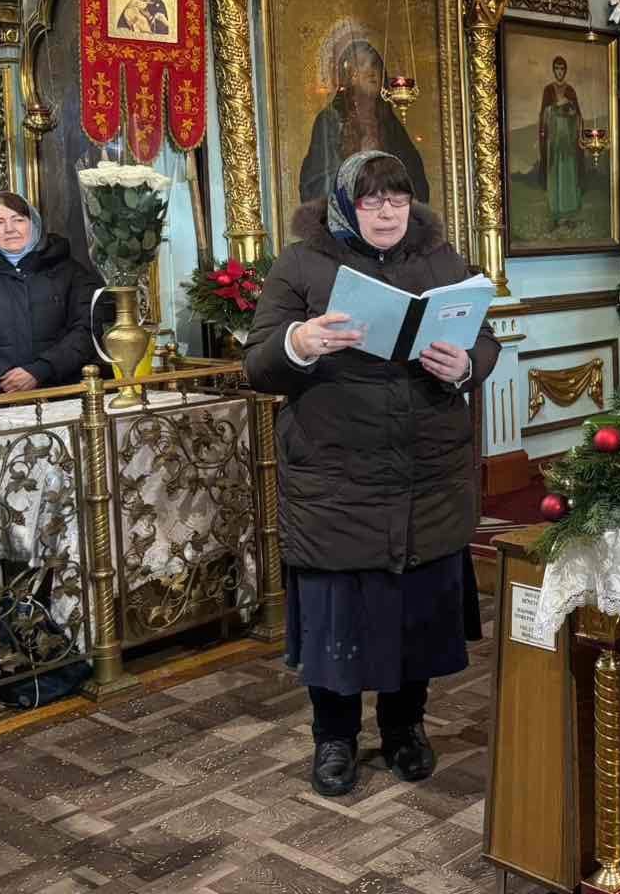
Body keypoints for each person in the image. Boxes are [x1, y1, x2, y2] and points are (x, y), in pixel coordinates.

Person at [244, 151, 499, 798]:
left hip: (425, 475)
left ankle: (405, 726)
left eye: (397, 199)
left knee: (414, 615)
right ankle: (333, 738)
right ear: (343, 205)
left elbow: (485, 339)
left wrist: (465, 365)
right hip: (336, 478)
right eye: (371, 201)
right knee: (338, 621)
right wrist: (299, 343)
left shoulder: (442, 260)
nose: (387, 213)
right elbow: (258, 365)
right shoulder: (302, 263)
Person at [0, 192, 101, 394]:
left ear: (34, 223)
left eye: (18, 220)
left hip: (60, 392)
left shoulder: (70, 271)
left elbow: (87, 328)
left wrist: (42, 369)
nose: (9, 229)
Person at [298, 39, 430, 206]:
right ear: (349, 75)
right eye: (362, 64)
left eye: (375, 65)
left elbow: (416, 182)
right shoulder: (330, 120)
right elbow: (316, 183)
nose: (372, 72)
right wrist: (359, 164)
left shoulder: (390, 125)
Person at [538, 56, 583, 222]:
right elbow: (544, 114)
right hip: (554, 140)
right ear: (553, 70)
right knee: (554, 173)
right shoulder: (548, 90)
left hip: (568, 141)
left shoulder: (570, 90)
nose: (559, 72)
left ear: (565, 70)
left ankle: (569, 211)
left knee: (568, 173)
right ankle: (555, 213)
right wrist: (556, 106)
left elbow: (577, 115)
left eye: (562, 68)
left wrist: (570, 109)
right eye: (557, 68)